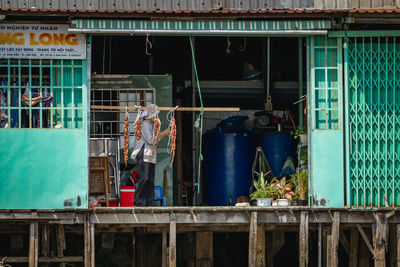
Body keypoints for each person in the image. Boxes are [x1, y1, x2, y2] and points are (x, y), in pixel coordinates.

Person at [130, 104, 170, 206]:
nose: (156, 117)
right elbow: (150, 140)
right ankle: (139, 202)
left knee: (150, 180)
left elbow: (155, 141)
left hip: (150, 155)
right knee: (143, 178)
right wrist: (164, 133)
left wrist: (161, 134)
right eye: (155, 115)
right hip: (144, 153)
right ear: (151, 115)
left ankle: (148, 202)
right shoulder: (144, 124)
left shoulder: (151, 126)